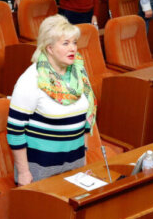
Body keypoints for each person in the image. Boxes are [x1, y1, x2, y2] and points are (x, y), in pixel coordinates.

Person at [7, 15, 97, 185]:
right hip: (41, 172)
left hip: (75, 168)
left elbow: (86, 120)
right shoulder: (31, 79)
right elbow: (15, 131)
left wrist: (83, 155)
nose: (73, 49)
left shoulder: (79, 75)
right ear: (49, 48)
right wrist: (24, 173)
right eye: (65, 43)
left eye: (74, 42)